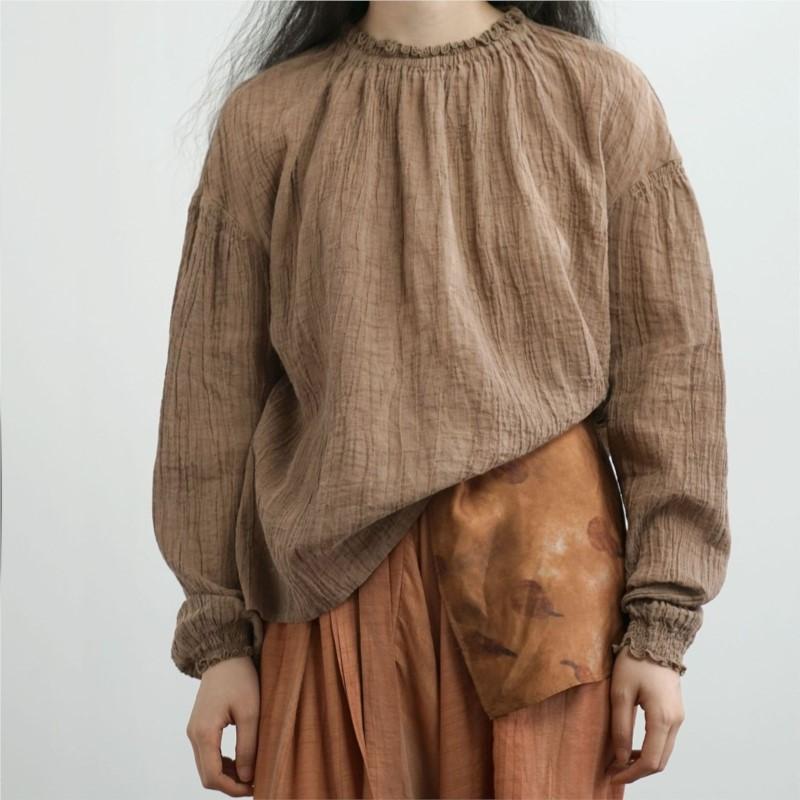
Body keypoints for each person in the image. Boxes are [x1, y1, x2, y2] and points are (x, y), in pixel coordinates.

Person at [151, 1, 731, 797]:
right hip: (329, 591)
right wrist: (219, 641)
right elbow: (211, 395)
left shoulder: (597, 95)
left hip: (544, 590)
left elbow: (671, 372)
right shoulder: (270, 117)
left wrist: (660, 627)